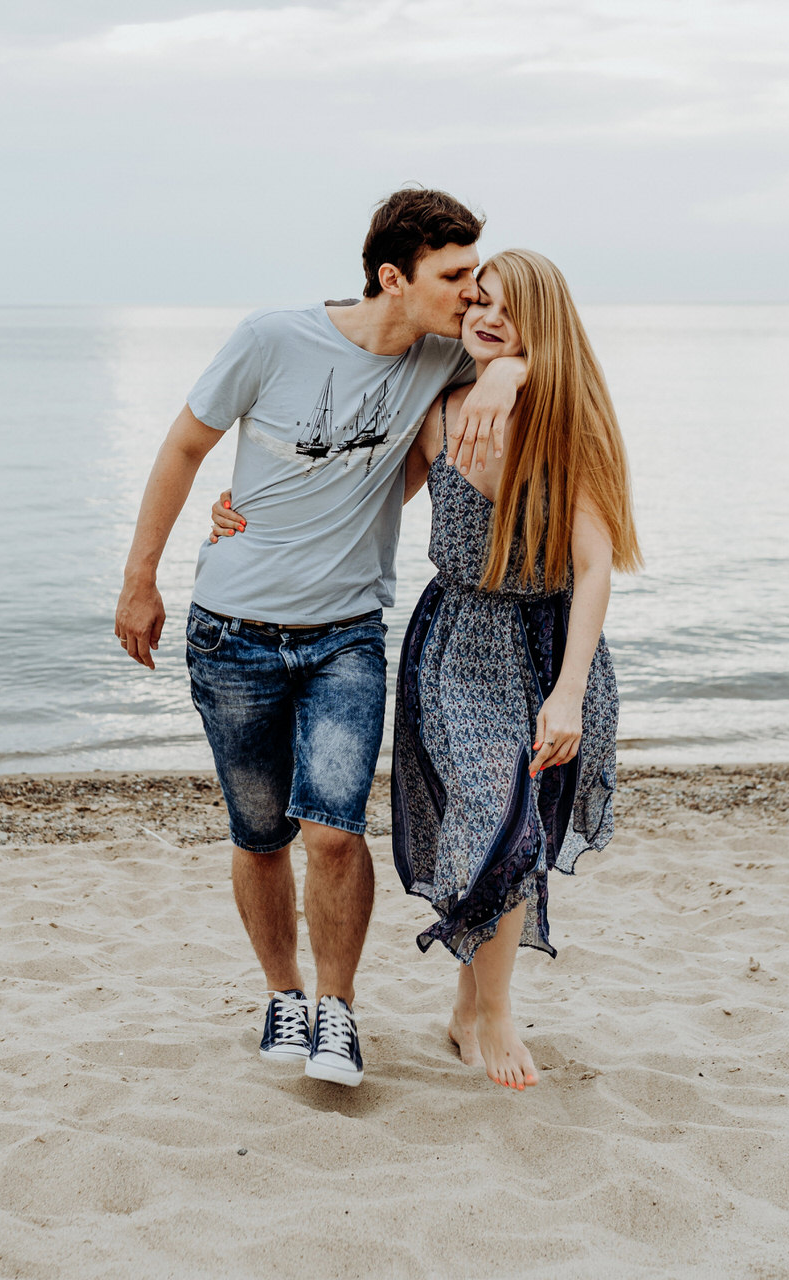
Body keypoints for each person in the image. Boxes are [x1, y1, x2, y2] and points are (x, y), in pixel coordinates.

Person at [112, 188, 527, 1088]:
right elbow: (184, 447)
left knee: (334, 832)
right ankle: (284, 993)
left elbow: (550, 355)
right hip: (231, 634)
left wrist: (504, 374)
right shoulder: (271, 339)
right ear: (394, 276)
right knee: (260, 834)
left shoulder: (446, 358)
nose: (471, 293)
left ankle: (337, 1012)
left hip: (346, 635)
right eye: (454, 277)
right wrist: (141, 577)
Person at [211, 248, 640, 1091]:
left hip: (550, 647)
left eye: (508, 310)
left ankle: (472, 1008)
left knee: (512, 828)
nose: (486, 317)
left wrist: (568, 696)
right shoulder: (439, 415)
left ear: (539, 324)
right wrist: (246, 514)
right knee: (489, 815)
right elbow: (355, 490)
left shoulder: (563, 422)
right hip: (454, 647)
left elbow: (594, 567)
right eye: (478, 300)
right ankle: (497, 1015)